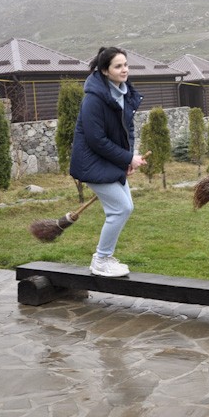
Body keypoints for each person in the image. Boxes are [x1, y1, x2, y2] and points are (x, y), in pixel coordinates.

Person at [70, 46, 148, 277]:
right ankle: (101, 260)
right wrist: (127, 157)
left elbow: (127, 130)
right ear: (105, 70)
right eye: (118, 66)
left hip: (110, 161)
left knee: (126, 207)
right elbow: (97, 140)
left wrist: (128, 160)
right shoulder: (93, 100)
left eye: (125, 64)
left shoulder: (123, 93)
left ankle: (105, 256)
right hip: (91, 163)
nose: (124, 70)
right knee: (120, 209)